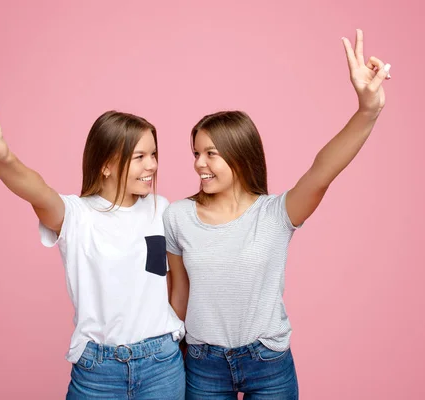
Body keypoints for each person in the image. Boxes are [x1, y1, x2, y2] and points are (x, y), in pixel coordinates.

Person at [164, 29, 391, 399]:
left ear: (239, 154)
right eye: (195, 153)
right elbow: (179, 296)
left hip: (267, 362)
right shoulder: (177, 217)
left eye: (210, 154)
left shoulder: (275, 214)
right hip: (202, 363)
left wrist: (368, 110)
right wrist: (169, 355)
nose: (199, 164)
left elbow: (323, 170)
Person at [0, 71, 185, 399]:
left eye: (154, 154)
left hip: (163, 365)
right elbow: (35, 189)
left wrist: (177, 337)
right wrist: (0, 155)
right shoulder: (76, 215)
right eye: (140, 157)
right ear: (106, 165)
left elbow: (176, 281)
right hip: (97, 372)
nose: (153, 166)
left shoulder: (162, 210)